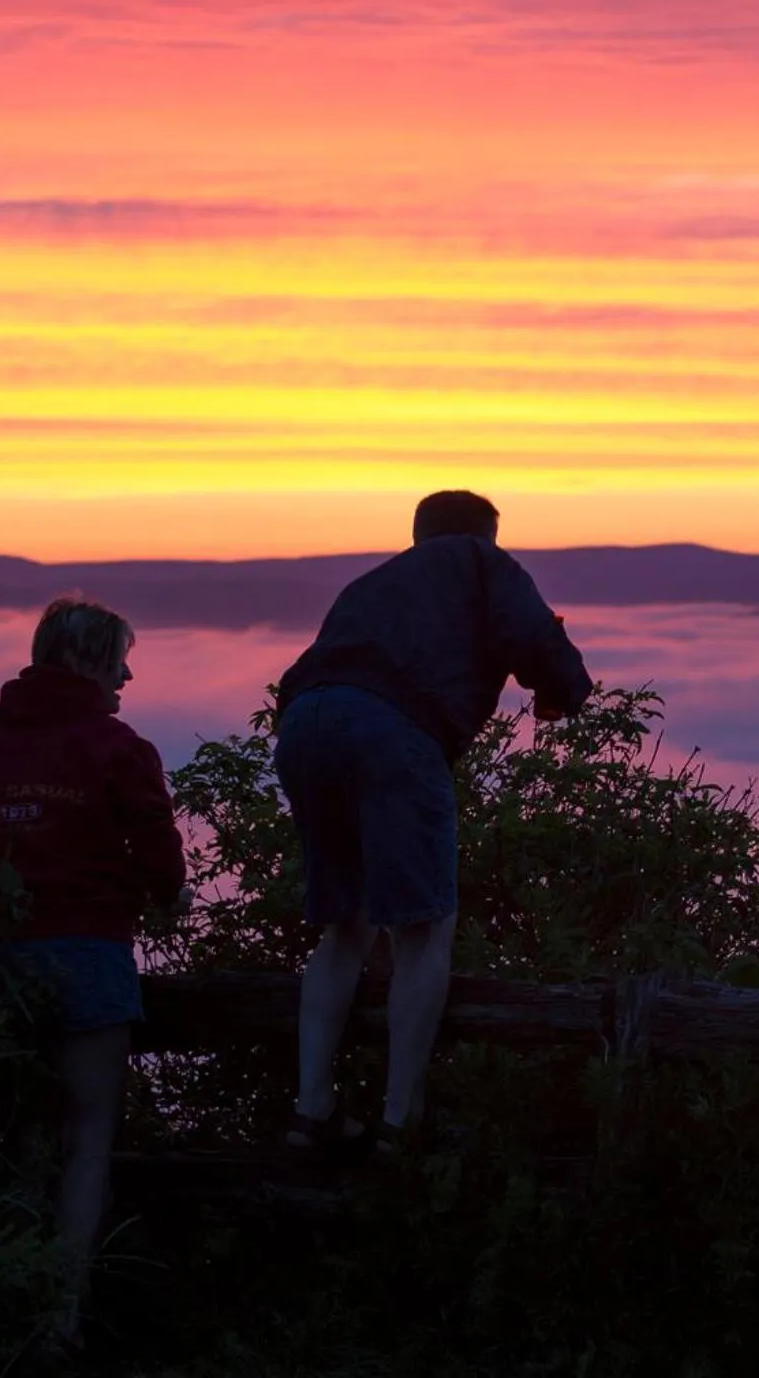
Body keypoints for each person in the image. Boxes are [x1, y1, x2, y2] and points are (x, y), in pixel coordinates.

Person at [274, 489, 593, 1155]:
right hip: (394, 728)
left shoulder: (371, 583)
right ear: (487, 535)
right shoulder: (482, 564)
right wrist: (564, 693)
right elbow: (534, 637)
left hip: (306, 721)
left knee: (346, 925)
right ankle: (401, 1120)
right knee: (423, 929)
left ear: (417, 533)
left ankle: (310, 1110)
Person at [0, 597, 188, 1349]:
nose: (129, 673)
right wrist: (166, 901)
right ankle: (61, 1318)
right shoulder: (114, 745)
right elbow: (156, 848)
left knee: (18, 1130)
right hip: (87, 952)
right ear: (88, 662)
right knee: (87, 1138)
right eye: (119, 657)